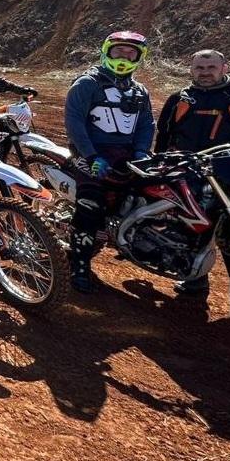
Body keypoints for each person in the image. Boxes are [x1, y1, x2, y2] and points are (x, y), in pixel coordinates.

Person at [156, 48, 230, 321]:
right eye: (199, 68)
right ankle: (194, 281)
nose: (205, 73)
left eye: (211, 68)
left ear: (224, 68)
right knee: (191, 230)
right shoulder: (179, 99)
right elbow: (164, 135)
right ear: (191, 70)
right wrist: (162, 165)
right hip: (189, 176)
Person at [63, 31, 155, 293]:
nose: (124, 57)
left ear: (139, 57)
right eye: (118, 51)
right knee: (91, 205)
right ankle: (79, 266)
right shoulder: (87, 83)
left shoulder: (140, 91)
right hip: (90, 154)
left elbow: (146, 124)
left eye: (130, 53)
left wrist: (142, 151)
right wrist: (91, 155)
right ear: (106, 52)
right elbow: (74, 122)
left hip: (127, 155)